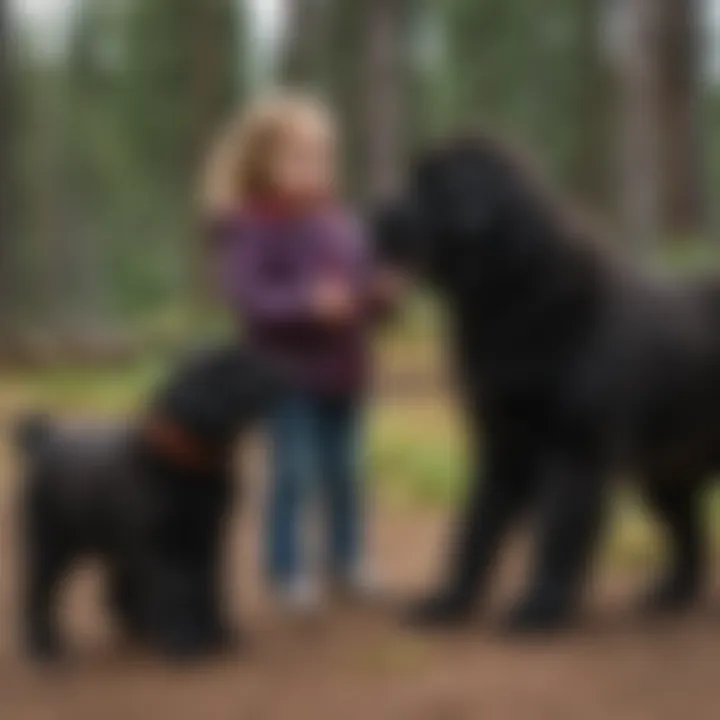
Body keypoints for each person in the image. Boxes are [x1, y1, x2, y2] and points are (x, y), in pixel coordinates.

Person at [201, 92, 403, 613]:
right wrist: (306, 304)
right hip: (285, 377)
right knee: (294, 471)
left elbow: (358, 296)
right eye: (299, 156)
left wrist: (380, 296)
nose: (313, 166)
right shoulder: (253, 224)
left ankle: (348, 557)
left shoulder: (342, 223)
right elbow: (249, 297)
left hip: (345, 373)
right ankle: (286, 567)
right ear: (263, 163)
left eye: (321, 156)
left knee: (345, 471)